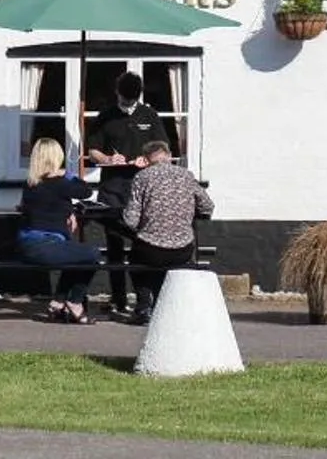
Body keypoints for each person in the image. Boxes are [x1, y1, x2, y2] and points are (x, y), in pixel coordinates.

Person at [84, 71, 166, 313]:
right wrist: (108, 158)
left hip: (143, 188)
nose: (127, 105)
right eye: (124, 99)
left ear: (138, 96)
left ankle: (145, 299)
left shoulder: (149, 115)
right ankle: (118, 298)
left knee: (143, 244)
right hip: (113, 188)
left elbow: (163, 149)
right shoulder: (105, 116)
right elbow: (92, 151)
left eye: (131, 101)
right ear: (117, 93)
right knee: (114, 246)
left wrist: (148, 159)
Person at [118, 138, 212, 319]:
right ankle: (171, 307)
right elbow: (207, 206)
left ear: (146, 159)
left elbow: (131, 220)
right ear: (169, 156)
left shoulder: (142, 177)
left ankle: (144, 306)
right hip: (182, 249)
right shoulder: (186, 175)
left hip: (151, 249)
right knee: (168, 260)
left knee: (136, 262)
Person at [14, 137, 101, 322]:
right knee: (92, 254)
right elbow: (86, 191)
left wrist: (68, 211)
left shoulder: (30, 184)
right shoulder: (62, 183)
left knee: (77, 256)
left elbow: (48, 204)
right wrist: (68, 174)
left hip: (28, 244)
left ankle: (58, 302)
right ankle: (74, 302)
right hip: (46, 244)